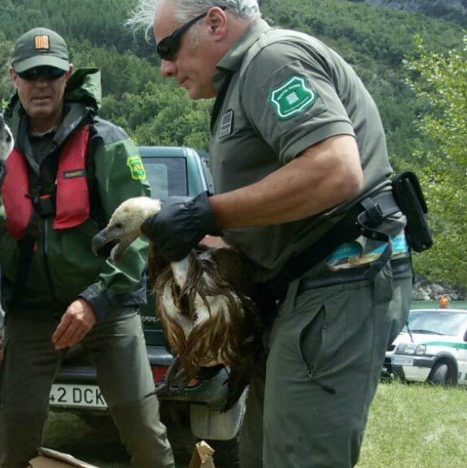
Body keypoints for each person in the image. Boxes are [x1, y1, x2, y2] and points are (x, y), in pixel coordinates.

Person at [126, 1, 413, 467]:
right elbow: (276, 216)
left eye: (169, 47)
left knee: (299, 457)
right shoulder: (240, 83)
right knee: (262, 453)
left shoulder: (272, 59)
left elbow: (336, 170)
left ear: (215, 22)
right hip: (298, 290)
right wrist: (195, 247)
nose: (165, 68)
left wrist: (207, 213)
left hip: (336, 280)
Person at [0, 27, 175, 467]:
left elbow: (139, 231)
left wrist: (95, 301)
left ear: (67, 75)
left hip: (105, 306)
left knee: (142, 426)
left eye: (50, 74)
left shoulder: (106, 140)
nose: (40, 84)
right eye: (30, 75)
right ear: (13, 77)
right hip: (31, 311)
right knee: (15, 428)